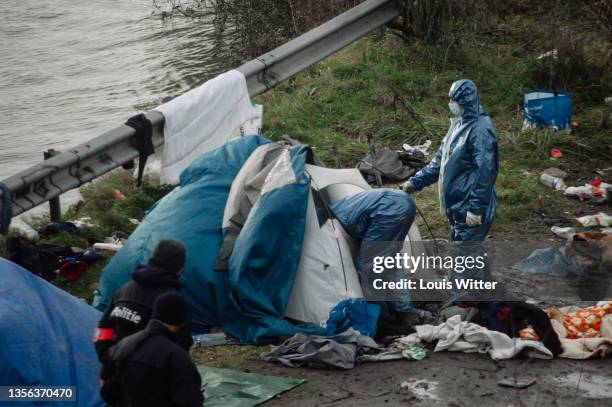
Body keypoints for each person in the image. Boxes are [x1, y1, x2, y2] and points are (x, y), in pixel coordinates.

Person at [403, 79, 498, 282]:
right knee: (469, 251)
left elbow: (486, 171)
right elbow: (440, 162)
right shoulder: (458, 126)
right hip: (457, 206)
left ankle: (459, 303)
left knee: (463, 259)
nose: (451, 103)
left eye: (454, 99)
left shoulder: (480, 130)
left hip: (470, 206)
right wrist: (414, 183)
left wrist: (476, 208)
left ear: (465, 100)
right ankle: (485, 292)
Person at [94, 239, 192, 363]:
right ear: (179, 267)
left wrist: (106, 356)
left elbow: (104, 327)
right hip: (149, 376)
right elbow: (181, 345)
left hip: (115, 368)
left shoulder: (124, 290)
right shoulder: (174, 301)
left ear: (153, 259)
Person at [101, 292, 204, 407]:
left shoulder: (122, 345)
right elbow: (190, 400)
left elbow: (106, 390)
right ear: (181, 320)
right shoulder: (175, 355)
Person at [329, 188, 417, 314]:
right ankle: (404, 309)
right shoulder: (341, 206)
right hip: (403, 202)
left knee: (368, 268)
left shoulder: (331, 220)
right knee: (390, 262)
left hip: (387, 211)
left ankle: (380, 315)